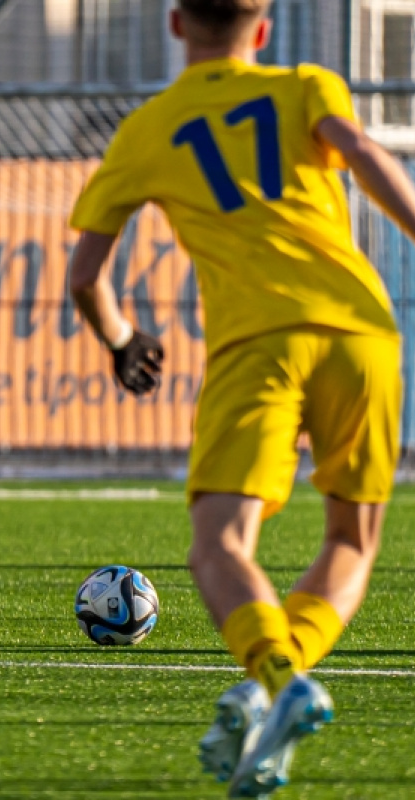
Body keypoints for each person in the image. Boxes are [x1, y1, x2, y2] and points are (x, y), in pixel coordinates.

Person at [69, 1, 415, 796]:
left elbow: (86, 279)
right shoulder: (307, 85)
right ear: (262, 31)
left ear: (175, 23)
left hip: (258, 342)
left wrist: (124, 341)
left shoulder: (150, 129)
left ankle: (275, 675)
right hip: (363, 332)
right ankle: (273, 689)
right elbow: (361, 152)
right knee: (351, 542)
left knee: (220, 545)